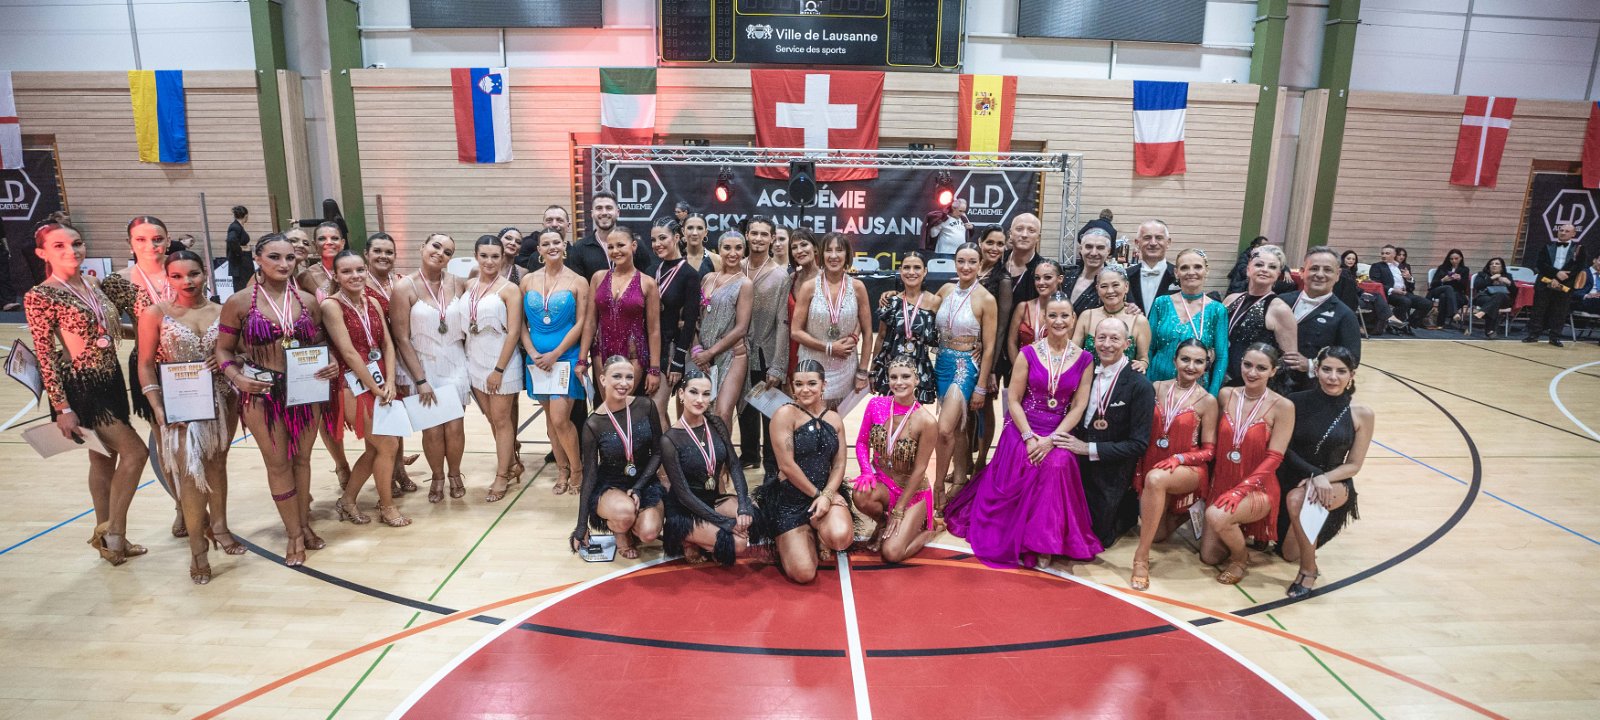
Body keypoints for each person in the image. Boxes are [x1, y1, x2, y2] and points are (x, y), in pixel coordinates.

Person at [25, 222, 153, 566]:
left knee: (102, 459)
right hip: (82, 386)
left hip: (111, 380)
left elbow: (107, 330)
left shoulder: (93, 284)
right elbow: (45, 355)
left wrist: (151, 332)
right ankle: (115, 534)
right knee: (135, 453)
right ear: (42, 253)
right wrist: (62, 408)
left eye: (77, 243)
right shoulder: (40, 296)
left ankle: (106, 537)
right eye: (59, 246)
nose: (72, 250)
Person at [945, 292, 1100, 568]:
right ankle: (1022, 536)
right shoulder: (1028, 353)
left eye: (1065, 315)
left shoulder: (1085, 359)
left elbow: (1078, 406)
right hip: (1023, 425)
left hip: (1058, 429)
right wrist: (1029, 437)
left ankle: (1045, 542)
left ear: (1074, 319)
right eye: (1053, 315)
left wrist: (1052, 440)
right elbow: (1014, 400)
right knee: (1026, 461)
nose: (1059, 321)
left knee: (1058, 464)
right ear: (1044, 318)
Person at [215, 233, 339, 566]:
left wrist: (330, 360)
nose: (284, 264)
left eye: (290, 258)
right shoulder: (239, 302)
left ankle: (304, 523)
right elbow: (223, 350)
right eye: (274, 257)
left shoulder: (308, 301)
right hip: (262, 392)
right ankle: (294, 534)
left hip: (304, 390)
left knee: (302, 460)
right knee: (278, 464)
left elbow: (320, 342)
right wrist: (237, 378)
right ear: (257, 258)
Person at [136, 250, 243, 583]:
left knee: (217, 463)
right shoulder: (155, 313)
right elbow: (144, 364)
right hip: (179, 404)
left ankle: (220, 526)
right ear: (168, 278)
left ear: (205, 273)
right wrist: (157, 406)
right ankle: (197, 548)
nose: (187, 281)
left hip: (222, 399)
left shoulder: (223, 310)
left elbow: (239, 352)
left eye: (193, 274)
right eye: (178, 276)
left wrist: (227, 361)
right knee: (189, 473)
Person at [101, 216, 185, 538]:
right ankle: (182, 506)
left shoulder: (182, 269)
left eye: (157, 238)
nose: (151, 245)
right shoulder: (117, 282)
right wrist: (139, 333)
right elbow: (108, 326)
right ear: (130, 244)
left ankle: (198, 500)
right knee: (166, 441)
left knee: (194, 440)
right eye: (141, 239)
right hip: (149, 366)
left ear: (168, 239)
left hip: (187, 363)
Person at [321, 251, 410, 528]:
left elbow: (387, 344)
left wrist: (390, 381)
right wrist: (375, 387)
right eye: (347, 271)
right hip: (351, 383)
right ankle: (387, 506)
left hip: (381, 377)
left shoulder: (371, 301)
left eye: (359, 270)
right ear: (336, 276)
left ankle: (347, 500)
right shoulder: (331, 306)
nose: (355, 276)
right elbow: (348, 352)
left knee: (375, 449)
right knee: (388, 444)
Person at [1280, 346, 1374, 597]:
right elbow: (1283, 448)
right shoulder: (1295, 401)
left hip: (1335, 483)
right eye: (1327, 370)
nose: (1333, 377)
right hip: (1294, 476)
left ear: (1351, 375)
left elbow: (1354, 465)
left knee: (1297, 500)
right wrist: (1314, 474)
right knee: (1287, 553)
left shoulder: (1362, 414)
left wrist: (1323, 478)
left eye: (1341, 371)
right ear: (1317, 370)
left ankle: (1308, 570)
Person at [1200, 343, 1294, 585]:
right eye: (1247, 365)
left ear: (1273, 371)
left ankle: (1240, 559)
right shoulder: (1226, 395)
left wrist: (1241, 490)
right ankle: (1235, 527)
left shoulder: (1283, 406)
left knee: (1217, 516)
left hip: (1257, 487)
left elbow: (1275, 457)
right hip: (1222, 482)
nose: (1252, 372)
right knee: (1209, 557)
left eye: (1261, 368)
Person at [1127, 339, 1218, 590]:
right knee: (1158, 534)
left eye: (1198, 361)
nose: (1191, 366)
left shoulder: (1207, 401)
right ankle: (1184, 514)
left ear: (1206, 367)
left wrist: (1180, 458)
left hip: (1188, 468)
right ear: (1174, 360)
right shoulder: (1155, 387)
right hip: (1154, 462)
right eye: (1185, 359)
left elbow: (1210, 450)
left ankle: (1141, 558)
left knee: (1156, 479)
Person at [1061, 317, 1154, 549]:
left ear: (1127, 343)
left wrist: (1088, 448)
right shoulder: (1084, 372)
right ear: (1093, 341)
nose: (1107, 344)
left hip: (1110, 470)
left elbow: (1138, 444)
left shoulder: (1140, 385)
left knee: (1094, 538)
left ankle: (1124, 514)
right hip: (1075, 461)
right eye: (1101, 338)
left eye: (1115, 339)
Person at [758, 360, 853, 583]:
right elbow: (786, 466)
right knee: (803, 574)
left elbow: (839, 464)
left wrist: (828, 495)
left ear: (824, 385)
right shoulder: (784, 414)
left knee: (840, 537)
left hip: (825, 494)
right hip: (790, 500)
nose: (805, 390)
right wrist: (818, 495)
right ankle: (795, 536)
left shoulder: (834, 418)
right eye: (799, 384)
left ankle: (818, 530)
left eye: (812, 383)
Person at [392, 233, 470, 502]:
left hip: (455, 361)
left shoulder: (458, 283)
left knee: (455, 427)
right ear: (422, 246)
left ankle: (455, 474)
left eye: (448, 252)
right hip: (423, 364)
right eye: (436, 246)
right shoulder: (404, 287)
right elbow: (401, 337)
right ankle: (437, 476)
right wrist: (420, 379)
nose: (440, 253)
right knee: (433, 429)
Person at [660, 370, 764, 565]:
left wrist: (742, 506)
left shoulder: (716, 424)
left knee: (753, 514)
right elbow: (683, 494)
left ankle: (706, 538)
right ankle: (688, 538)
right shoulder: (670, 439)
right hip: (685, 510)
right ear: (681, 394)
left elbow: (734, 464)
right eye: (693, 392)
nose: (700, 399)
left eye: (706, 394)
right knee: (738, 543)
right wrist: (726, 522)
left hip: (712, 500)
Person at [572, 357, 665, 560]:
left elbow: (659, 452)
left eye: (629, 377)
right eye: (617, 376)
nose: (624, 383)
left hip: (644, 481)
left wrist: (639, 487)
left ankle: (632, 526)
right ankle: (620, 531)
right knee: (624, 512)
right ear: (603, 379)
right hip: (611, 484)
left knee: (649, 533)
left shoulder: (646, 406)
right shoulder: (593, 424)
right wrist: (581, 526)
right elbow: (590, 475)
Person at [850, 357, 942, 562]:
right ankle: (883, 523)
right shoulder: (876, 405)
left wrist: (899, 509)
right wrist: (867, 472)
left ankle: (931, 529)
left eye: (905, 377)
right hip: (884, 484)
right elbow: (862, 442)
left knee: (892, 553)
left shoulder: (926, 422)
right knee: (861, 493)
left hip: (912, 492)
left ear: (917, 380)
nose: (899, 382)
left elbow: (920, 469)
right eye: (893, 377)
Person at [932, 243, 999, 509]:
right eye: (961, 261)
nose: (966, 266)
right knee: (958, 427)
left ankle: (939, 485)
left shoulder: (986, 299)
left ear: (980, 265)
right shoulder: (945, 290)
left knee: (944, 428)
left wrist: (981, 386)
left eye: (972, 262)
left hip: (965, 366)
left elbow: (990, 346)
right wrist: (893, 294)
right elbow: (921, 305)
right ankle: (960, 478)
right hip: (941, 363)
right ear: (955, 262)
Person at [460, 235, 526, 502]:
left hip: (501, 361)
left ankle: (502, 475)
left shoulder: (510, 289)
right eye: (484, 256)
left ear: (502, 258)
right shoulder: (468, 285)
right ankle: (512, 463)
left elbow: (514, 332)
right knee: (492, 419)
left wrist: (498, 370)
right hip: (474, 358)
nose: (489, 261)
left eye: (495, 256)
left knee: (501, 420)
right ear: (476, 256)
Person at [298, 221, 354, 487]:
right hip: (325, 349)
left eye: (334, 238)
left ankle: (392, 463)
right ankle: (341, 466)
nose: (329, 242)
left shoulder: (355, 267)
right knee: (327, 412)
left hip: (355, 346)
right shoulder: (305, 276)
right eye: (322, 238)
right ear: (315, 244)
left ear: (343, 242)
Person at [363, 232, 417, 496]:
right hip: (373, 360)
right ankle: (385, 480)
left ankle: (399, 470)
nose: (383, 256)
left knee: (398, 418)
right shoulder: (359, 284)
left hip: (401, 356)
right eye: (378, 251)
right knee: (379, 423)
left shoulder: (401, 282)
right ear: (367, 254)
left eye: (389, 252)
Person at [793, 232, 873, 408]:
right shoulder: (809, 287)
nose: (834, 255)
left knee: (836, 421)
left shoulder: (858, 287)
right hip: (812, 366)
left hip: (845, 369)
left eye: (839, 250)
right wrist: (829, 347)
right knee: (812, 418)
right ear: (821, 254)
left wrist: (862, 372)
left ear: (847, 255)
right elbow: (796, 332)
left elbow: (868, 333)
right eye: (829, 250)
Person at [583, 227, 662, 398]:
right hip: (601, 353)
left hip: (634, 354)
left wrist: (654, 369)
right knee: (607, 406)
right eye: (610, 247)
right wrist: (582, 359)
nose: (615, 251)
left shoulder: (648, 283)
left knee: (624, 405)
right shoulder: (598, 278)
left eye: (620, 245)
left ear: (633, 246)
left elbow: (654, 330)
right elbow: (590, 322)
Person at [738, 216, 790, 474]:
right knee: (744, 406)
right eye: (754, 233)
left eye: (764, 234)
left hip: (766, 351)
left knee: (769, 410)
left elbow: (783, 323)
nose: (758, 238)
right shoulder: (737, 267)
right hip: (738, 351)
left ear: (772, 239)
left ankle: (772, 463)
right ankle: (749, 455)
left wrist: (778, 365)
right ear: (747, 235)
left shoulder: (780, 276)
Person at [1277, 247, 1362, 393]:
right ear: (1302, 272)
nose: (1320, 274)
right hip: (1273, 385)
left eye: (1328, 270)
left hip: (1312, 390)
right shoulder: (1280, 301)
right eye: (1314, 268)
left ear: (1337, 275)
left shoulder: (1345, 315)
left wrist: (1310, 365)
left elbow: (1352, 359)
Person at [692, 231, 753, 429]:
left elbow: (741, 328)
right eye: (727, 248)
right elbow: (695, 318)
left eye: (738, 248)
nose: (732, 253)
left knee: (723, 413)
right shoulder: (707, 278)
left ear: (744, 251)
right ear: (719, 250)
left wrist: (710, 352)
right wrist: (697, 349)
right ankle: (710, 450)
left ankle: (725, 451)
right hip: (703, 355)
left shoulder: (745, 283)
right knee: (704, 410)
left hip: (732, 354)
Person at [1147, 248, 1229, 394]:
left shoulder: (1217, 310)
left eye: (1197, 267)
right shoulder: (1161, 303)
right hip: (1157, 383)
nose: (1191, 272)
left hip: (1195, 389)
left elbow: (1222, 357)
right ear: (1176, 272)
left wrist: (1212, 394)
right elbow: (1149, 348)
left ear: (1206, 271)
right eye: (1184, 268)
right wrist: (1146, 386)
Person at [647, 219, 702, 427]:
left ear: (677, 238)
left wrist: (678, 359)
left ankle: (666, 449)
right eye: (653, 240)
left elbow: (690, 322)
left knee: (656, 408)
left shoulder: (689, 275)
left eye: (663, 238)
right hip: (649, 346)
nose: (657, 244)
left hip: (670, 348)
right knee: (653, 409)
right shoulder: (652, 270)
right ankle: (667, 446)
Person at [867, 251, 940, 404]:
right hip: (892, 368)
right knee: (891, 413)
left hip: (919, 368)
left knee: (914, 415)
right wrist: (873, 370)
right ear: (900, 271)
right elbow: (881, 337)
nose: (911, 272)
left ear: (925, 271)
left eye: (917, 267)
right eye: (906, 267)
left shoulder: (936, 302)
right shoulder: (891, 301)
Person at [1221, 244, 1298, 388]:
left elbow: (1289, 361)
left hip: (1251, 385)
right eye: (1259, 264)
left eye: (1272, 267)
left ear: (1278, 274)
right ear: (1248, 269)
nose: (1265, 269)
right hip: (1220, 378)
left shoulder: (1280, 309)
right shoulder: (1231, 299)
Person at [1072, 266, 1151, 370]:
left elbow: (1144, 358)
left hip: (1123, 378)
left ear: (1126, 286)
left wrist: (1141, 365)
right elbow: (1073, 353)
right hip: (1089, 378)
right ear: (1097, 289)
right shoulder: (1087, 316)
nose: (1110, 291)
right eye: (1104, 286)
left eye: (1115, 285)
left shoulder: (1139, 321)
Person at [1524, 223, 1589, 346]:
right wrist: (1556, 274)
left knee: (1560, 311)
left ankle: (1555, 337)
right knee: (1539, 309)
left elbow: (1579, 266)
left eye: (1567, 231)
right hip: (1545, 282)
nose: (1563, 233)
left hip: (1566, 283)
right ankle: (1533, 334)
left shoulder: (1579, 249)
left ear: (1573, 234)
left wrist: (1561, 278)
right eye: (1561, 230)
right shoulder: (1547, 246)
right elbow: (1540, 264)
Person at [569, 192, 654, 282]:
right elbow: (578, 285)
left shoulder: (635, 244)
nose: (604, 212)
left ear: (618, 212)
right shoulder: (579, 248)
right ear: (592, 214)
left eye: (609, 208)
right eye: (599, 208)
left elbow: (647, 280)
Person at [1006, 259, 1065, 367]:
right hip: (1022, 369)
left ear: (1060, 279)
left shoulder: (1067, 313)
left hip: (1053, 371)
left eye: (1047, 277)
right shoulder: (1023, 308)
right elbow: (1011, 342)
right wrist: (1019, 369)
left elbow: (1067, 348)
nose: (1041, 282)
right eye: (1037, 278)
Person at [1368, 244, 1429, 331]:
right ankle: (1393, 323)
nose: (1384, 255)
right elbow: (1376, 284)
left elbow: (1412, 287)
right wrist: (1393, 290)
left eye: (1387, 253)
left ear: (1394, 255)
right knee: (1405, 301)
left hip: (1404, 293)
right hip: (1388, 293)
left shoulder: (1403, 267)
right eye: (1382, 253)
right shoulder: (1377, 266)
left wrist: (1409, 278)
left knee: (1427, 303)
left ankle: (1409, 323)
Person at [785, 229, 819, 378]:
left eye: (804, 245)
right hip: (792, 348)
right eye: (794, 247)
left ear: (815, 248)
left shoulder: (827, 279)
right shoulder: (791, 278)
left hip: (818, 348)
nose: (799, 251)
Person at [1127, 220, 1180, 314]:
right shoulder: (1125, 276)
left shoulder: (1180, 276)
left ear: (1168, 242)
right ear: (1137, 243)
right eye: (1147, 238)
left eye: (1159, 238)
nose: (1153, 243)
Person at [1060, 229, 1112, 316]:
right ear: (1081, 249)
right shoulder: (1067, 278)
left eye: (1100, 248)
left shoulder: (1114, 284)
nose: (1094, 253)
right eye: (1089, 247)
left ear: (1108, 251)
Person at [1470, 256, 1516, 339]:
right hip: (1484, 297)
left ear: (1502, 267)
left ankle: (1483, 312)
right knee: (1493, 304)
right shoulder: (1482, 274)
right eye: (1491, 264)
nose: (1494, 265)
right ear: (1488, 266)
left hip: (1503, 299)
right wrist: (1490, 279)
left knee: (1499, 295)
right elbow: (1477, 286)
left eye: (1497, 264)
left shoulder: (1507, 276)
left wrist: (1509, 283)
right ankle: (1490, 330)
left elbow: (1514, 292)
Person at [515, 205, 571, 271]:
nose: (554, 224)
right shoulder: (531, 253)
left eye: (559, 220)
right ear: (543, 225)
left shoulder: (577, 255)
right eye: (549, 220)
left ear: (568, 226)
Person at [1427, 248, 1470, 330]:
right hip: (1439, 289)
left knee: (1444, 296)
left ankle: (1440, 323)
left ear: (1461, 258)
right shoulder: (1442, 268)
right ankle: (1454, 313)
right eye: (1451, 259)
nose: (1454, 261)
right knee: (1447, 289)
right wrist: (1443, 280)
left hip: (1455, 293)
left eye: (1456, 258)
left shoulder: (1465, 270)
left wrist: (1459, 279)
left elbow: (1464, 287)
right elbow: (1433, 284)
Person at [226, 205, 251, 292]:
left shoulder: (238, 226)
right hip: (240, 263)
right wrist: (241, 250)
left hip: (242, 262)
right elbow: (231, 240)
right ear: (246, 216)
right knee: (242, 286)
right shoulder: (235, 227)